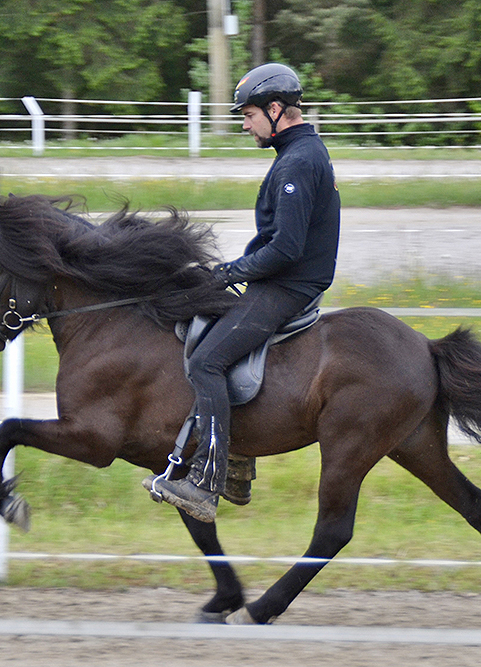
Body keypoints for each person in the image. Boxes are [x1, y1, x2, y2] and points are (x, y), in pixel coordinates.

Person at [144, 63, 341, 522]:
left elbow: (287, 249)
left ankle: (206, 484)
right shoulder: (299, 154)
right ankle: (236, 464)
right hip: (279, 279)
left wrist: (230, 270)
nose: (245, 124)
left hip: (287, 286)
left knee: (207, 362)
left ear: (276, 109)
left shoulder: (296, 162)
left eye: (249, 114)